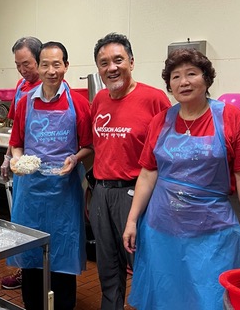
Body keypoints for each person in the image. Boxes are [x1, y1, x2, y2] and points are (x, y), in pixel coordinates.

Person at [122, 49, 240, 310]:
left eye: (191, 74)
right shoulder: (161, 121)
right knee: (166, 296)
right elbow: (148, 173)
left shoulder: (229, 117)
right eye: (175, 77)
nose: (183, 82)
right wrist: (132, 220)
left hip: (212, 233)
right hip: (161, 230)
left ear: (206, 79)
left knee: (211, 297)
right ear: (169, 85)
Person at [8, 41, 93, 310]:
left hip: (64, 192)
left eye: (57, 64)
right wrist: (19, 159)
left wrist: (75, 158)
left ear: (66, 66)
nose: (51, 70)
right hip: (30, 191)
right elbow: (16, 142)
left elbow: (89, 146)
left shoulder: (78, 104)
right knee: (31, 251)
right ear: (39, 66)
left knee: (62, 252)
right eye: (45, 64)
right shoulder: (25, 103)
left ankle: (64, 305)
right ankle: (32, 304)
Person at [89, 33, 171, 309]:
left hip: (136, 193)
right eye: (104, 63)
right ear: (98, 69)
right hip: (101, 192)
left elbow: (168, 150)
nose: (111, 67)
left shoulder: (154, 99)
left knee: (144, 265)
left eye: (118, 60)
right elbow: (98, 145)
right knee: (108, 268)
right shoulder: (99, 99)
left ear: (132, 62)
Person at [0, 36, 43, 290]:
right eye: (18, 65)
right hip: (23, 165)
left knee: (43, 223)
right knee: (23, 220)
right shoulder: (20, 86)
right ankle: (24, 271)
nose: (23, 71)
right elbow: (16, 128)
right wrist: (8, 157)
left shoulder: (52, 86)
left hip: (46, 167)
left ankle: (46, 272)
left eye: (26, 64)